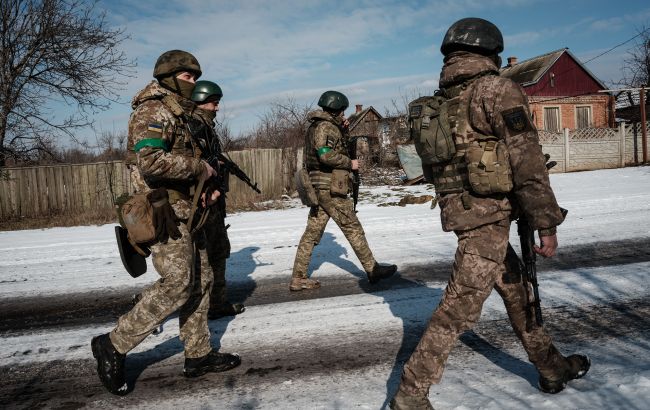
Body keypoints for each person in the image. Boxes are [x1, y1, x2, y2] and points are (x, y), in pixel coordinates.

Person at [389, 18, 590, 409]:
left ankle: (551, 367)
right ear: (491, 53)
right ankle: (410, 395)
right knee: (457, 309)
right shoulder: (496, 91)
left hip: (466, 214)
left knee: (518, 294)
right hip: (488, 219)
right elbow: (527, 161)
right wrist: (546, 221)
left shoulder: (441, 101)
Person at [91, 50, 240, 396]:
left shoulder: (178, 111)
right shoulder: (152, 110)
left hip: (189, 212)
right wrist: (198, 169)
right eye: (188, 77)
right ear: (170, 77)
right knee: (178, 283)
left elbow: (188, 157)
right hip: (163, 216)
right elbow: (150, 162)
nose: (194, 83)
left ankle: (198, 354)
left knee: (202, 279)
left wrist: (205, 190)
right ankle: (114, 343)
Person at [290, 90, 397, 291]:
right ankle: (373, 270)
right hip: (329, 187)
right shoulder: (325, 127)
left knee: (312, 233)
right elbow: (326, 154)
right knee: (352, 227)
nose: (343, 115)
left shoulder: (318, 126)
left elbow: (335, 147)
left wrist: (344, 131)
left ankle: (298, 278)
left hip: (320, 187)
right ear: (337, 109)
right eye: (342, 111)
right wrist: (350, 163)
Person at [187, 80, 246, 320]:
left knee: (219, 251)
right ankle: (198, 308)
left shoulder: (205, 127)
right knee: (199, 263)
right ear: (201, 101)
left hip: (214, 202)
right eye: (214, 103)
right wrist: (206, 193)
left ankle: (218, 303)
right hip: (203, 204)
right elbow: (190, 167)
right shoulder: (194, 126)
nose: (217, 108)